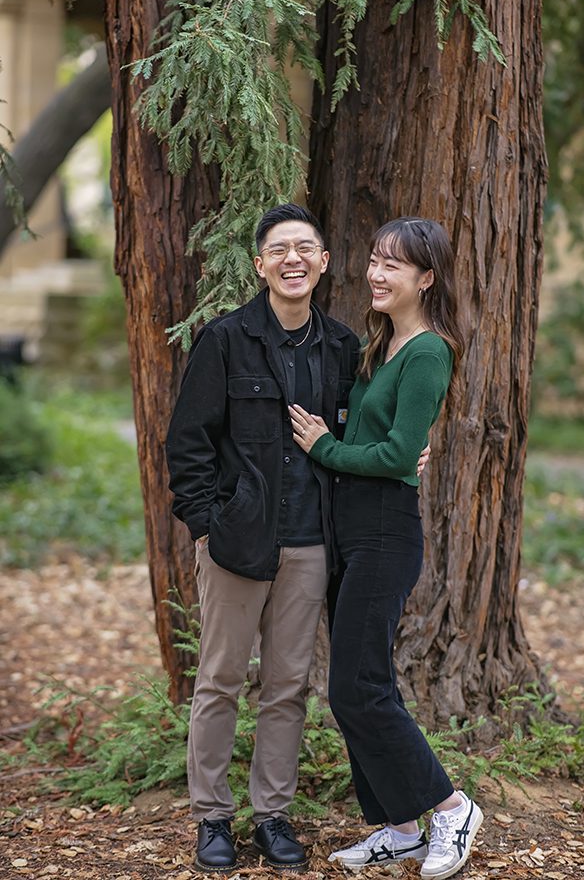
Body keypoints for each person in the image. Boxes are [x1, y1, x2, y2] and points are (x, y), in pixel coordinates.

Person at [166, 204, 428, 873]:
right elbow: (188, 444)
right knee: (219, 681)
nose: (292, 259)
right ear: (260, 265)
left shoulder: (343, 347)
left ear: (322, 262)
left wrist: (408, 457)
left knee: (287, 686)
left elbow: (367, 431)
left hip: (312, 545)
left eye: (305, 248)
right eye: (279, 249)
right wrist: (207, 526)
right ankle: (212, 818)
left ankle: (272, 817)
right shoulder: (225, 340)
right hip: (235, 544)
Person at [289, 216, 483, 880]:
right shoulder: (381, 344)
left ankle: (452, 808)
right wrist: (355, 447)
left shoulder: (428, 351)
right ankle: (400, 828)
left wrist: (327, 448)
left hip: (383, 532)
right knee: (359, 686)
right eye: (373, 259)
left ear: (426, 278)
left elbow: (399, 454)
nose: (374, 273)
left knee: (357, 687)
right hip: (349, 530)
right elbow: (386, 440)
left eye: (391, 264)